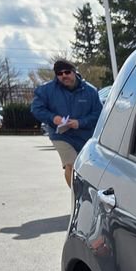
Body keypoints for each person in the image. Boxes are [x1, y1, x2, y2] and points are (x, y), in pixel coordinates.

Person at [30, 59, 102, 188]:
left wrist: (80, 123)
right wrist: (53, 118)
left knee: (85, 166)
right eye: (59, 73)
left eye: (67, 72)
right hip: (60, 135)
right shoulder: (46, 90)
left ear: (74, 72)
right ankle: (76, 195)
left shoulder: (90, 91)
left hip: (84, 135)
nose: (64, 76)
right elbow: (36, 109)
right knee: (72, 164)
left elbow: (98, 114)